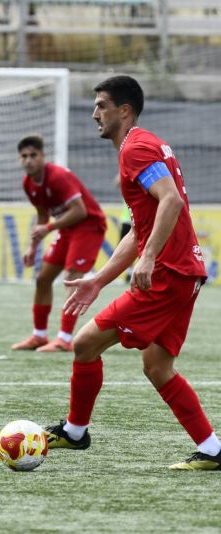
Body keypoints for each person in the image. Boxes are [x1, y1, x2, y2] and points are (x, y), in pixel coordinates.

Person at [45, 75, 220, 470]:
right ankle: (213, 449)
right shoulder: (145, 145)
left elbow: (171, 201)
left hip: (168, 274)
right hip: (184, 272)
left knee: (84, 344)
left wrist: (150, 257)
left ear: (124, 110)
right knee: (157, 367)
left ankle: (75, 431)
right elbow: (140, 231)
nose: (95, 114)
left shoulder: (136, 149)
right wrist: (99, 280)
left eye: (102, 106)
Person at [11, 135, 107, 353]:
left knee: (71, 278)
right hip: (67, 229)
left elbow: (80, 211)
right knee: (43, 279)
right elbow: (42, 214)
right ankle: (39, 336)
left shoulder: (57, 176)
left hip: (89, 226)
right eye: (24, 156)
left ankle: (64, 339)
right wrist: (32, 247)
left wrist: (49, 228)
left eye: (33, 155)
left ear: (42, 156)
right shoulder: (28, 183)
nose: (28, 160)